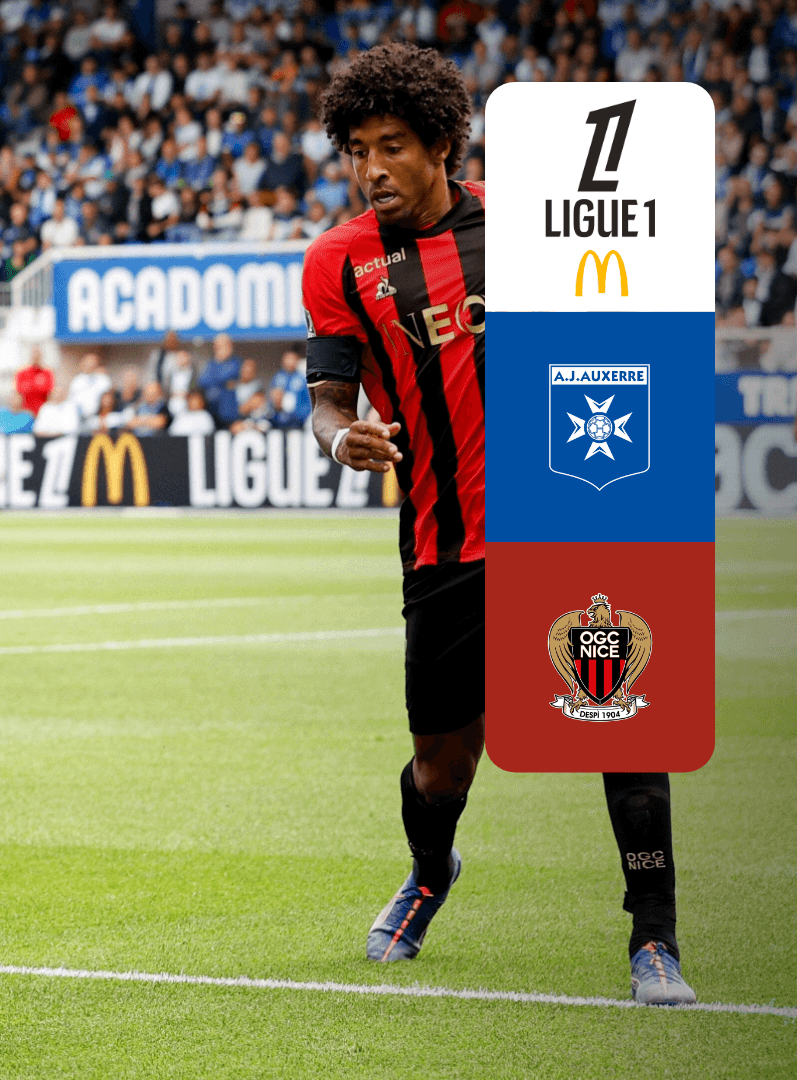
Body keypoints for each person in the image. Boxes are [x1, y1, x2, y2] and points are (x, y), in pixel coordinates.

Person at [302, 42, 693, 1005]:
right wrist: (341, 435)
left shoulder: (536, 229)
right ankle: (430, 875)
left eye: (392, 146)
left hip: (575, 523)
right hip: (443, 540)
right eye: (357, 150)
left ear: (443, 143)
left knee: (619, 719)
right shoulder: (338, 260)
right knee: (442, 768)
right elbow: (328, 398)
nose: (371, 169)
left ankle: (654, 940)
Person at [15, 345, 54, 413]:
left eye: (38, 355)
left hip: (42, 411)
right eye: (34, 355)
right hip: (25, 412)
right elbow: (18, 393)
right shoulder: (22, 373)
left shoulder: (47, 374)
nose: (36, 357)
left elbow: (50, 393)